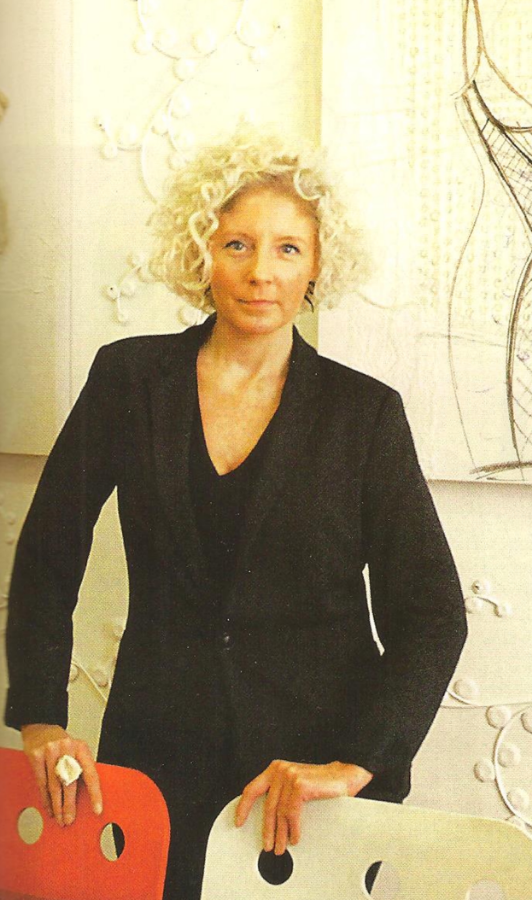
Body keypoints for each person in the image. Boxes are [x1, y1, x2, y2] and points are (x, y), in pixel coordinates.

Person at [5, 127, 467, 899]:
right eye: (237, 244)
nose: (261, 273)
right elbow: (49, 554)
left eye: (288, 249)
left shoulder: (365, 415)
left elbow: (433, 612)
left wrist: (356, 762)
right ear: (202, 253)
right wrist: (41, 719)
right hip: (156, 767)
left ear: (318, 264)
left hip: (310, 784)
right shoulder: (129, 380)